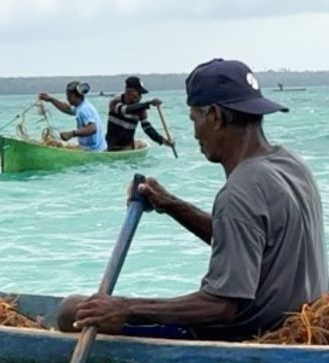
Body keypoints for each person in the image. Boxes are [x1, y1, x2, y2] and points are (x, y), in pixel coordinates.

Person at [57, 59, 327, 341]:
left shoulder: (240, 191)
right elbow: (244, 238)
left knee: (70, 311)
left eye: (193, 120)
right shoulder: (292, 164)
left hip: (249, 332)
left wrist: (126, 308)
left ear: (215, 116)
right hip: (296, 325)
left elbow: (221, 307)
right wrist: (172, 205)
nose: (195, 133)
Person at [106, 76, 175, 151]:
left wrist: (163, 141)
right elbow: (124, 109)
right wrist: (148, 103)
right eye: (139, 93)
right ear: (129, 91)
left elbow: (148, 129)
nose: (141, 96)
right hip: (111, 147)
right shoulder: (115, 101)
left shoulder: (141, 109)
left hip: (127, 148)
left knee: (142, 144)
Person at [38, 81, 107, 152]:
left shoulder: (84, 109)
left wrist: (71, 134)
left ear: (73, 96)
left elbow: (92, 128)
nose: (67, 98)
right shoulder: (81, 105)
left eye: (68, 96)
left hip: (95, 151)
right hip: (92, 149)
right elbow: (68, 109)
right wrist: (50, 99)